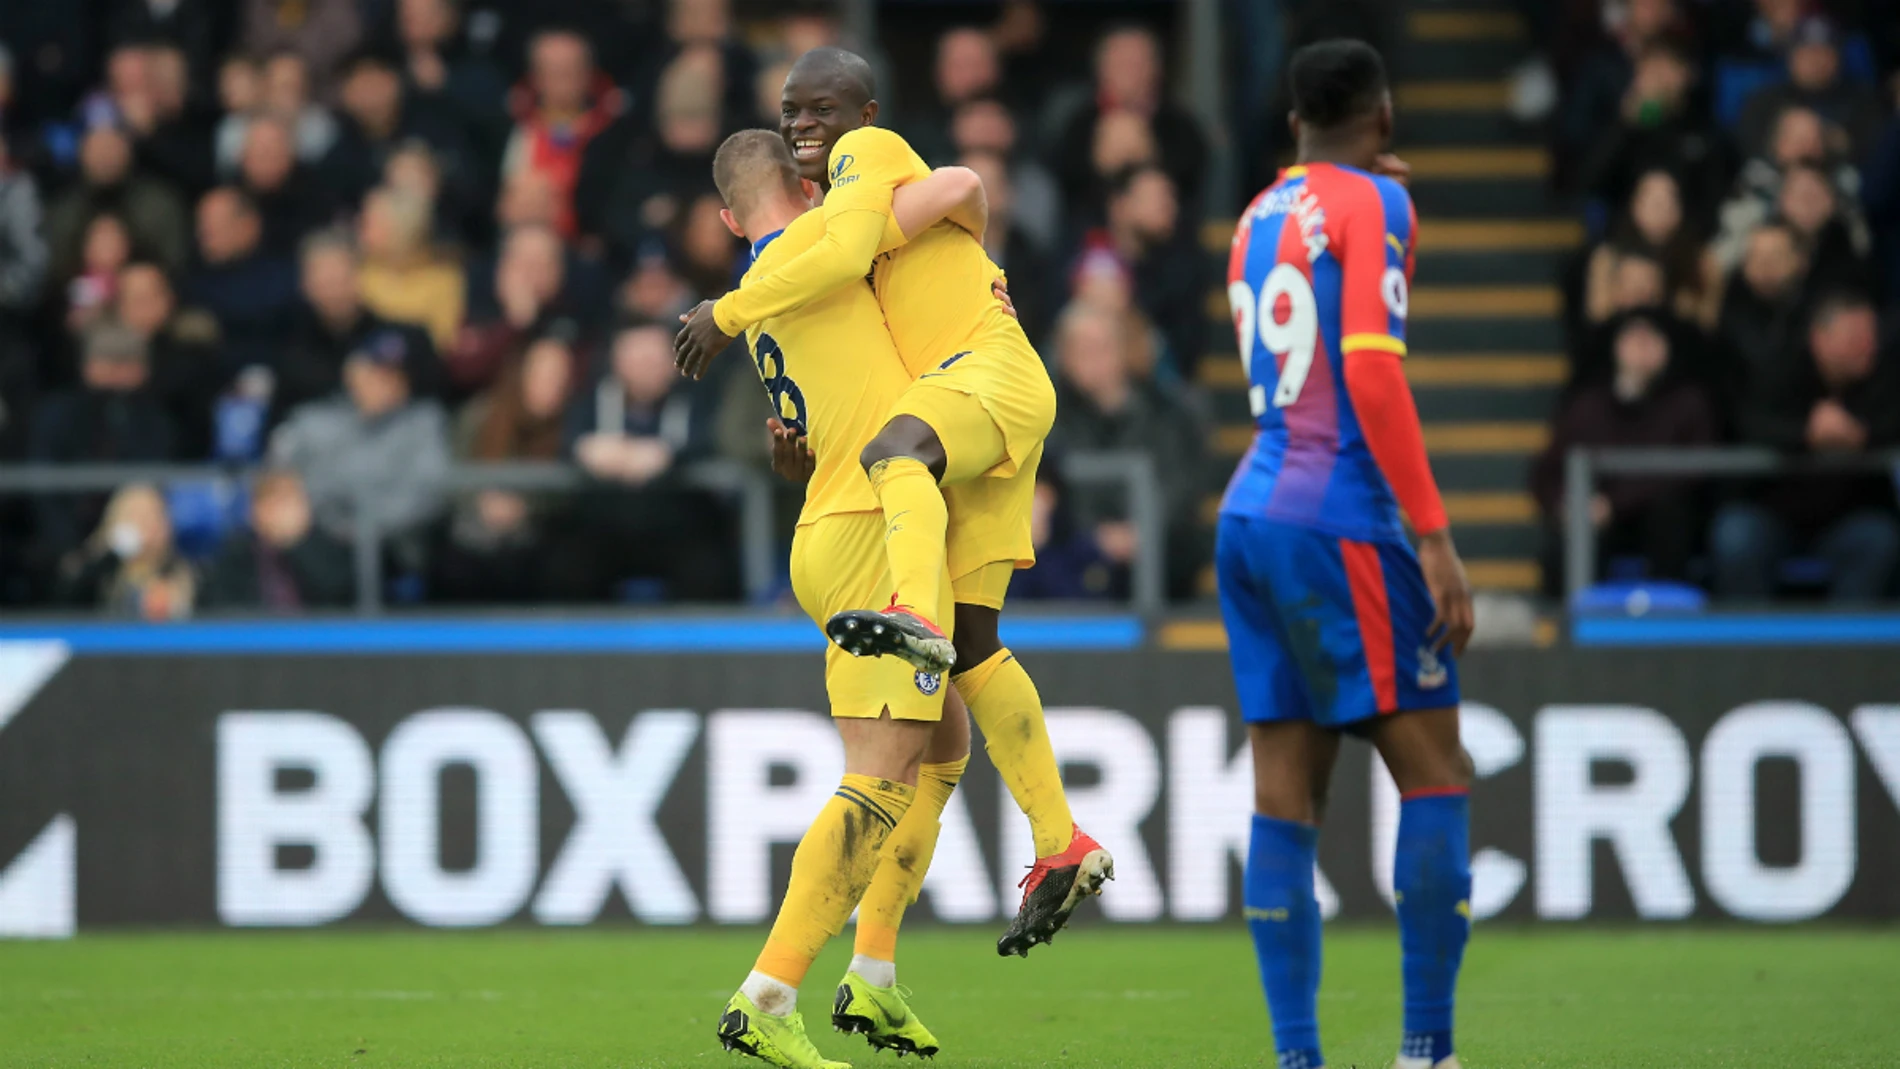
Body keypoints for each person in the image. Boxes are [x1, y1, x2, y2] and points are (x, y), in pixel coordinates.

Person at [676, 47, 1107, 971]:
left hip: (951, 418)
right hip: (930, 454)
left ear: (864, 114)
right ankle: (1054, 842)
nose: (804, 124)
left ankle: (794, 982)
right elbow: (938, 200)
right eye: (790, 111)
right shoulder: (831, 241)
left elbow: (955, 182)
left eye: (819, 108)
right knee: (976, 650)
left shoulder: (854, 185)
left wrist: (728, 310)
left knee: (895, 764)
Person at [701, 128, 1003, 1068]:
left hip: (830, 521)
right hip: (869, 524)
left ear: (725, 219)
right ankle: (769, 991)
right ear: (805, 184)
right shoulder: (828, 244)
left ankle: (871, 971)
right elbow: (955, 187)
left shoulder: (764, 295)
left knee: (944, 743)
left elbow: (808, 420)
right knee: (879, 772)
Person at [1220, 41, 1474, 1069]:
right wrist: (1435, 536)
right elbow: (1368, 372)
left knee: (1284, 793)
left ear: (1292, 125)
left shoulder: (1255, 215)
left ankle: (1297, 1059)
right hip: (1343, 515)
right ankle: (1426, 1050)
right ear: (1385, 116)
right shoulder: (1378, 206)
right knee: (1434, 773)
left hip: (1250, 512)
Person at [1711, 293, 1900, 602]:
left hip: (1849, 517)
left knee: (1880, 539)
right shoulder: (1779, 369)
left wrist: (1861, 435)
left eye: (1872, 336)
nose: (1869, 346)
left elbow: (1892, 424)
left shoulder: (1884, 374)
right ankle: (1749, 645)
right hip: (1773, 512)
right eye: (1856, 338)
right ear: (1820, 338)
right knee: (1735, 535)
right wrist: (1806, 433)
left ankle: (1851, 643)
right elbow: (1750, 422)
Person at [1531, 314, 1718, 592]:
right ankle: (1571, 628)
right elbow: (1546, 472)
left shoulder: (1689, 403)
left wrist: (1615, 505)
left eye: (1651, 340)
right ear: (1616, 348)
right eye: (1633, 340)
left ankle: (1667, 626)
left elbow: (1693, 471)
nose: (1641, 349)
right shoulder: (1587, 405)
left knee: (1670, 519)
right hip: (1601, 521)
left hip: (1661, 520)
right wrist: (1571, 505)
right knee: (1567, 544)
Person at [268, 326, 451, 550]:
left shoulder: (424, 422)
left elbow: (428, 493)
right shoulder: (313, 421)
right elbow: (280, 483)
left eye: (394, 376)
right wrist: (333, 522)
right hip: (318, 540)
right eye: (374, 372)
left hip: (394, 544)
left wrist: (365, 525)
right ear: (352, 373)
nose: (383, 384)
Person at [199, 469, 354, 610]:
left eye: (286, 499)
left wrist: (295, 542)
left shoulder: (328, 549)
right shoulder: (234, 556)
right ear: (253, 510)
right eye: (268, 499)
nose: (278, 510)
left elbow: (338, 597)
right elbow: (225, 610)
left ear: (305, 506)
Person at [54, 482, 195, 619]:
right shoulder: (99, 571)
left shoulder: (183, 573)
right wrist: (112, 549)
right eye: (137, 516)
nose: (148, 524)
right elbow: (68, 606)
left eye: (154, 515)